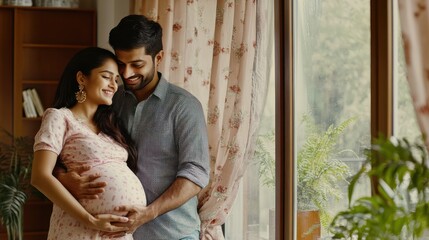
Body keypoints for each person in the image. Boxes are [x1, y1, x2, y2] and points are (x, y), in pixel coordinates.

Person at [59, 15, 210, 240]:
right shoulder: (111, 100)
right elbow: (69, 146)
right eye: (121, 64)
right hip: (117, 235)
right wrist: (64, 178)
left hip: (174, 234)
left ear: (158, 57)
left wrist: (148, 213)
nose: (126, 73)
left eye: (137, 64)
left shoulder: (184, 106)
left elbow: (196, 173)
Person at [31, 47, 147, 240]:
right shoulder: (60, 117)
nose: (113, 85)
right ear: (82, 78)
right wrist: (89, 220)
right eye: (106, 76)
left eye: (116, 79)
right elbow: (40, 176)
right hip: (80, 229)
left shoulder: (111, 126)